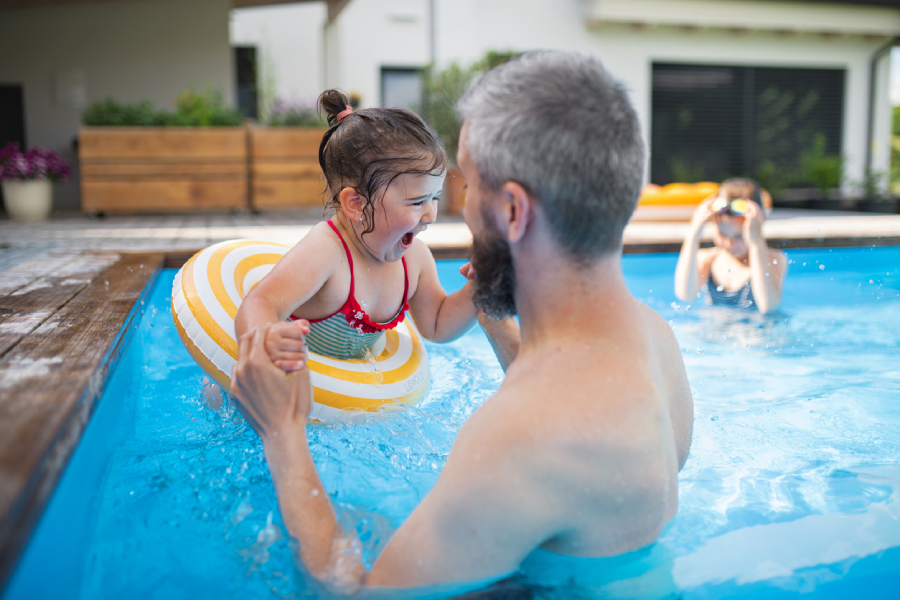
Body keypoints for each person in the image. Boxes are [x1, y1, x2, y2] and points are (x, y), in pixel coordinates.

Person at [229, 51, 694, 593]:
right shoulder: (655, 339)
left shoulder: (519, 438)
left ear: (513, 211)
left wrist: (283, 435)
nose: (449, 211)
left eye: (466, 186)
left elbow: (354, 590)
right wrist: (497, 316)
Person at [234, 90, 479, 369]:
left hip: (340, 398)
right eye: (417, 202)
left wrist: (478, 289)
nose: (431, 215)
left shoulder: (415, 261)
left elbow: (437, 323)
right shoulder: (327, 251)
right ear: (356, 204)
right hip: (287, 384)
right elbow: (261, 301)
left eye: (434, 198)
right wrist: (265, 340)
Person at [674, 178, 787, 314]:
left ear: (757, 227)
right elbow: (685, 295)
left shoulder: (773, 259)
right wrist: (694, 233)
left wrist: (756, 243)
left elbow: (768, 305)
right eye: (722, 233)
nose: (729, 243)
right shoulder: (708, 259)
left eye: (739, 236)